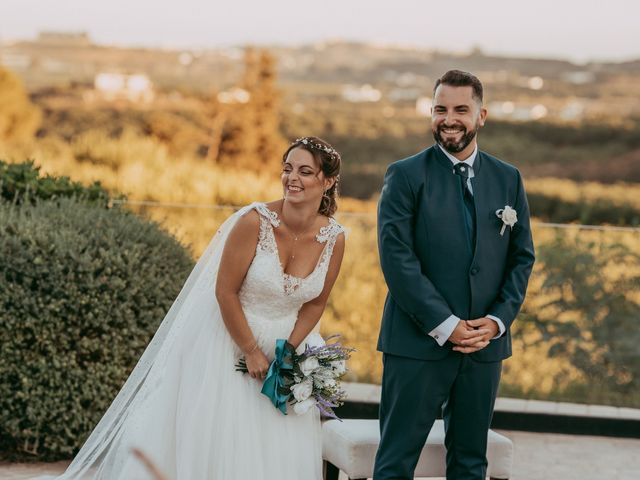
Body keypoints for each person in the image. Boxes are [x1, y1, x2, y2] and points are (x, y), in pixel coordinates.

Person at [36, 136, 346, 480]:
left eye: (305, 171)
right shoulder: (254, 222)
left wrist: (288, 352)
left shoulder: (334, 237)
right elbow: (225, 292)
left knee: (276, 447)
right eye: (288, 169)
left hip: (289, 346)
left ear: (328, 181)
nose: (292, 178)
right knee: (220, 441)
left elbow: (316, 302)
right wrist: (252, 351)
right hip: (229, 344)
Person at [373, 70, 535, 479]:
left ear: (482, 116)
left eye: (461, 109)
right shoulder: (405, 175)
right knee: (395, 462)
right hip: (416, 344)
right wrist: (445, 324)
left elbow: (522, 257)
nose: (449, 118)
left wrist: (497, 322)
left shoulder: (508, 177)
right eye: (440, 109)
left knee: (469, 464)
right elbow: (397, 259)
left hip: (483, 348)